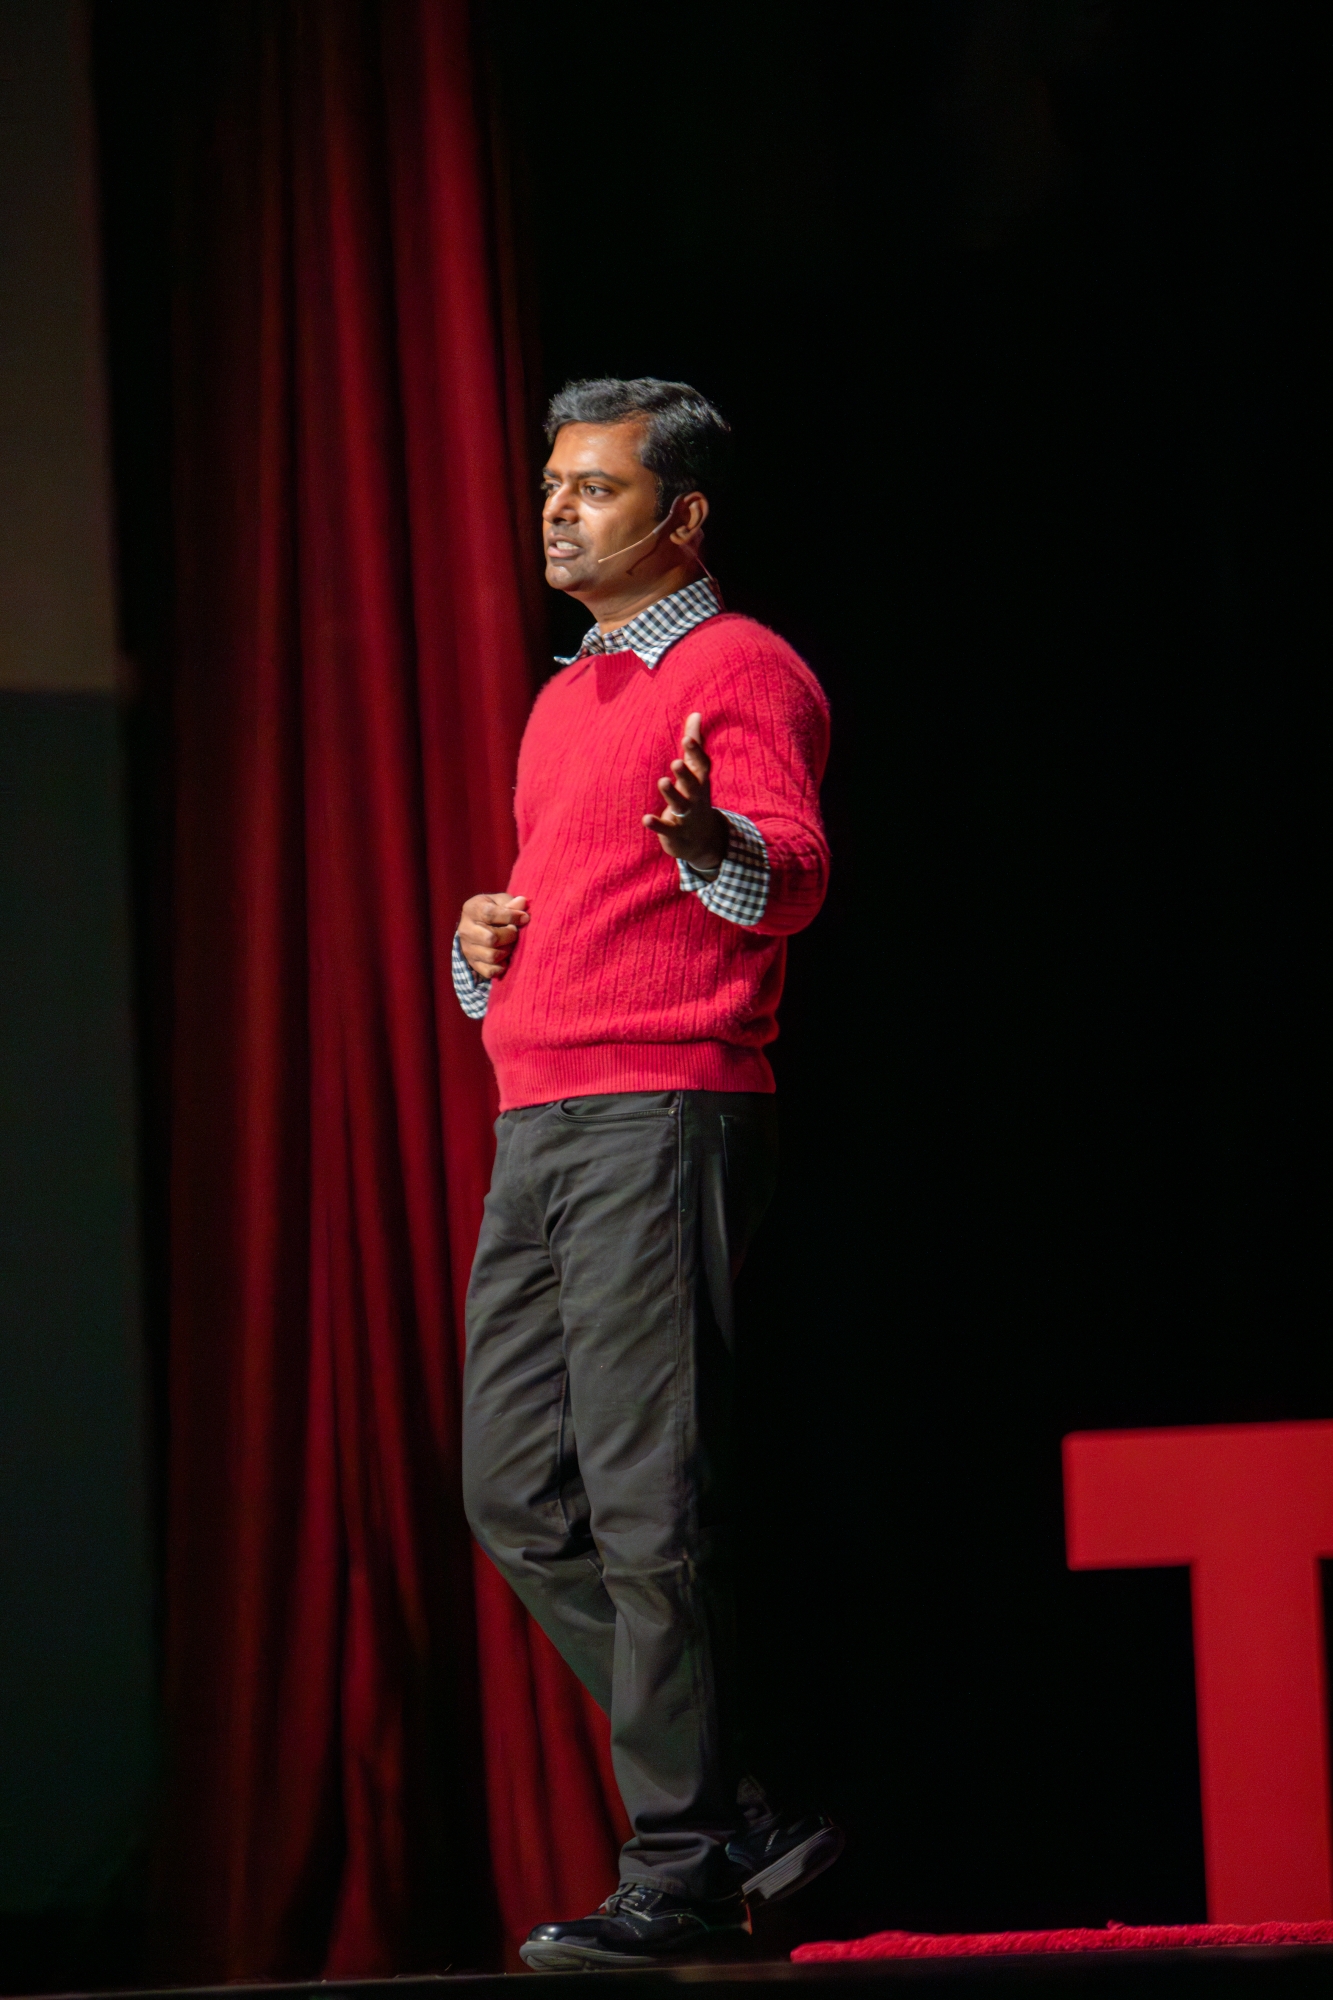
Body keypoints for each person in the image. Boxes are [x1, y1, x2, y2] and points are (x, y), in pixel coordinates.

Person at [455, 378, 837, 1970]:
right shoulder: (568, 699)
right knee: (513, 1491)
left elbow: (788, 874)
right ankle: (742, 1805)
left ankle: (679, 1864)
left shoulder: (740, 668)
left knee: (644, 1500)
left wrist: (706, 846)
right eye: (553, 482)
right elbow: (563, 906)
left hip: (658, 1108)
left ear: (679, 516)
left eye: (595, 488)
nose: (558, 509)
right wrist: (485, 951)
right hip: (536, 1118)